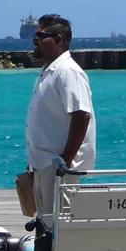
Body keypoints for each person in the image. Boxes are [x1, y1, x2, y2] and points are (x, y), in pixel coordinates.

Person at [25, 13, 96, 213]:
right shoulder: (50, 70)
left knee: (59, 229)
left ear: (58, 40)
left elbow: (81, 116)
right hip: (44, 165)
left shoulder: (67, 71)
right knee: (45, 227)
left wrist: (64, 163)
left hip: (58, 168)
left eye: (39, 36)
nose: (34, 41)